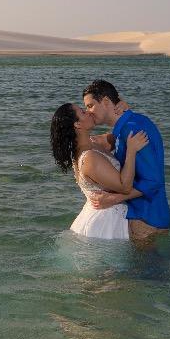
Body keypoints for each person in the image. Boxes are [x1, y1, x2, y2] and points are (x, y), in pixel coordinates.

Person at [82, 79, 170, 245]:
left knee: (144, 270)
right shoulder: (131, 124)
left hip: (145, 218)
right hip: (150, 215)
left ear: (106, 101)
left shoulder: (132, 130)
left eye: (90, 106)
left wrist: (114, 198)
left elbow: (154, 181)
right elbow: (102, 142)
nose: (88, 112)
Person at [50, 102, 148, 239]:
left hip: (101, 218)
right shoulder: (89, 158)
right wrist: (131, 151)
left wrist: (122, 111)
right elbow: (125, 186)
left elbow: (123, 133)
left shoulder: (92, 143)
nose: (88, 112)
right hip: (103, 225)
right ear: (77, 125)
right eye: (83, 112)